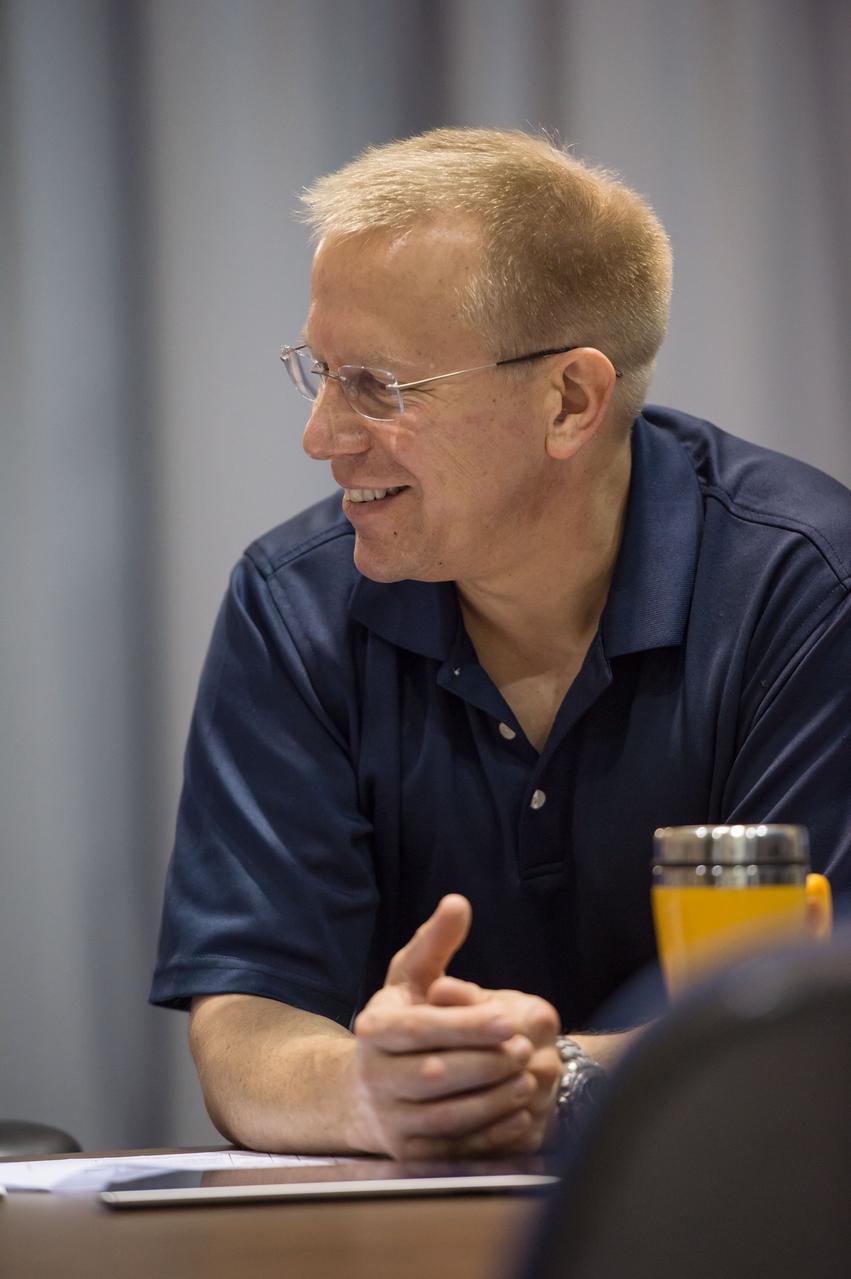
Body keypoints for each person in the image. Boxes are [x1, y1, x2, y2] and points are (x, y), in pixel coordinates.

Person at [150, 127, 851, 1158]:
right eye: (320, 372)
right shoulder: (289, 602)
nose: (321, 436)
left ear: (567, 400)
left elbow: (806, 1022)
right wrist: (365, 1093)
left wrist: (542, 1081)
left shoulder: (806, 589)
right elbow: (245, 1020)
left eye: (376, 386)